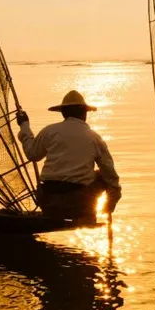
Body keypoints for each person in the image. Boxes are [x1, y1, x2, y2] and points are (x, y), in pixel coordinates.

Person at [15, 90, 121, 220]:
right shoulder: (94, 138)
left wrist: (24, 126)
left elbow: (32, 154)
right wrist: (113, 198)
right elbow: (111, 175)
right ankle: (92, 213)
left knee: (103, 176)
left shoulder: (49, 131)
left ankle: (67, 211)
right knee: (104, 176)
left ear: (63, 113)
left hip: (47, 201)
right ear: (84, 114)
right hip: (78, 204)